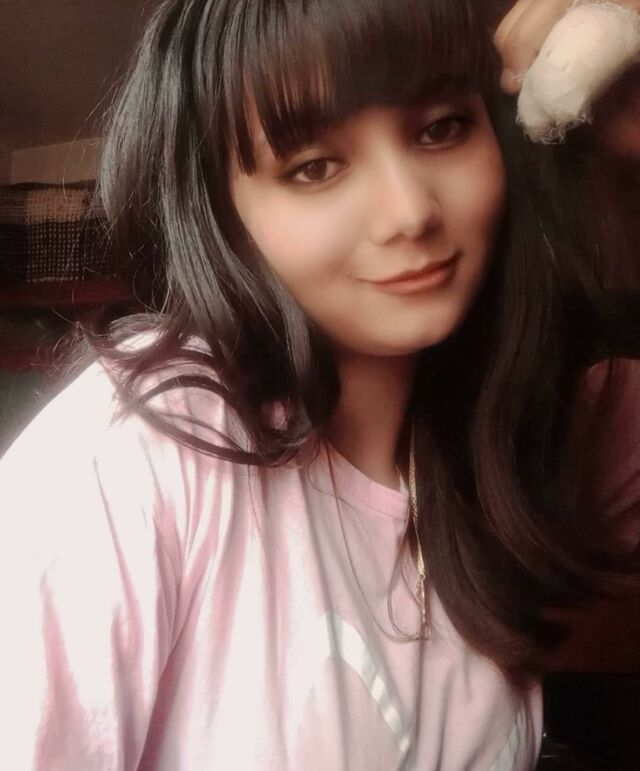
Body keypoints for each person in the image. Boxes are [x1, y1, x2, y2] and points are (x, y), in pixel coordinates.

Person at [0, 0, 638, 768]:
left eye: (441, 128)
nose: (409, 212)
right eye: (315, 167)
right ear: (219, 212)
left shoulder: (540, 421)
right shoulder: (142, 448)